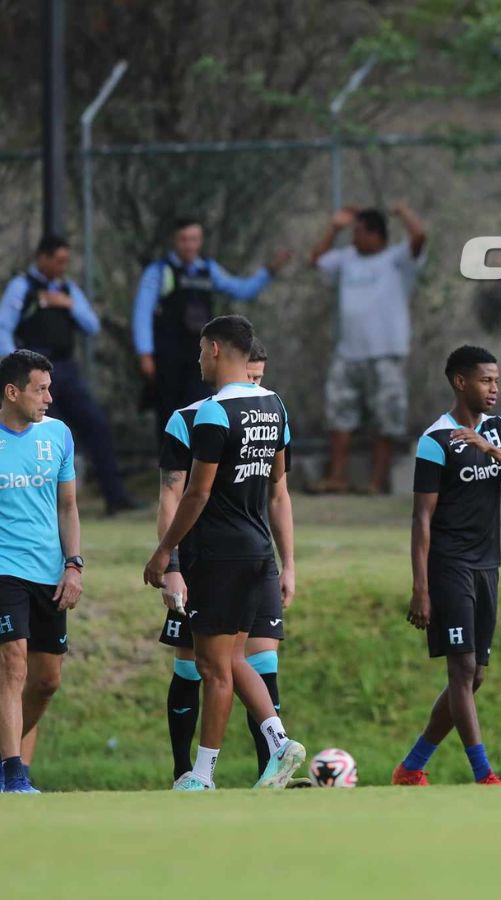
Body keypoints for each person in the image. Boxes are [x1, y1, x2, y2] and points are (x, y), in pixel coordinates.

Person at [142, 315, 304, 791]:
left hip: (217, 555)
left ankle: (204, 774)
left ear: (215, 348)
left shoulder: (213, 413)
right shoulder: (275, 406)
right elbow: (277, 485)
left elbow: (195, 494)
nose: (197, 358)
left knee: (214, 667)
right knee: (232, 658)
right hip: (257, 551)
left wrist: (164, 552)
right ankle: (276, 741)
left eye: (199, 349)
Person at [392, 346, 501, 786]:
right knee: (460, 669)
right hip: (449, 565)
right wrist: (421, 588)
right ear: (460, 382)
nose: (494, 389)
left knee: (474, 677)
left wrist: (489, 448)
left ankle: (412, 765)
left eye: (496, 380)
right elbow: (421, 519)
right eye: (485, 380)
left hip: (487, 566)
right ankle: (484, 774)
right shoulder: (435, 440)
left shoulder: (499, 429)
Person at [1, 234, 138, 514]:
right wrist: (16, 366)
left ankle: (115, 497)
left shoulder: (68, 289)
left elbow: (92, 325)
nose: (63, 266)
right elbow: (3, 327)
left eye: (66, 261)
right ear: (42, 258)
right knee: (43, 435)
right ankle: (43, 505)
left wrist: (67, 304)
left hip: (65, 369)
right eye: (58, 260)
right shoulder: (22, 287)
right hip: (33, 372)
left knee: (95, 425)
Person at [0, 350, 82, 793]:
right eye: (40, 389)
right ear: (12, 392)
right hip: (3, 570)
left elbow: (68, 507)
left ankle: (2, 757)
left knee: (47, 680)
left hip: (49, 572)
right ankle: (14, 774)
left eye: (50, 388)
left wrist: (73, 565)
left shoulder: (59, 435)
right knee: (12, 665)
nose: (49, 397)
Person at [307, 203, 427, 494]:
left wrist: (404, 212)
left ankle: (377, 481)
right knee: (339, 416)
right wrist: (334, 227)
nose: (354, 238)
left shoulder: (396, 259)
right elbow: (316, 261)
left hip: (385, 353)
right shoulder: (347, 258)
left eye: (358, 232)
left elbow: (420, 237)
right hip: (348, 353)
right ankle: (338, 477)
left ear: (376, 235)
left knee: (385, 419)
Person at [132, 218, 289, 437]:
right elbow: (142, 312)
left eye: (194, 239)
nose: (189, 245)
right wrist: (145, 354)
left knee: (199, 416)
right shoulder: (160, 271)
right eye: (184, 239)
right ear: (175, 241)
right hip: (168, 357)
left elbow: (242, 290)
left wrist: (269, 271)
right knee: (169, 420)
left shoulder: (208, 270)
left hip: (200, 357)